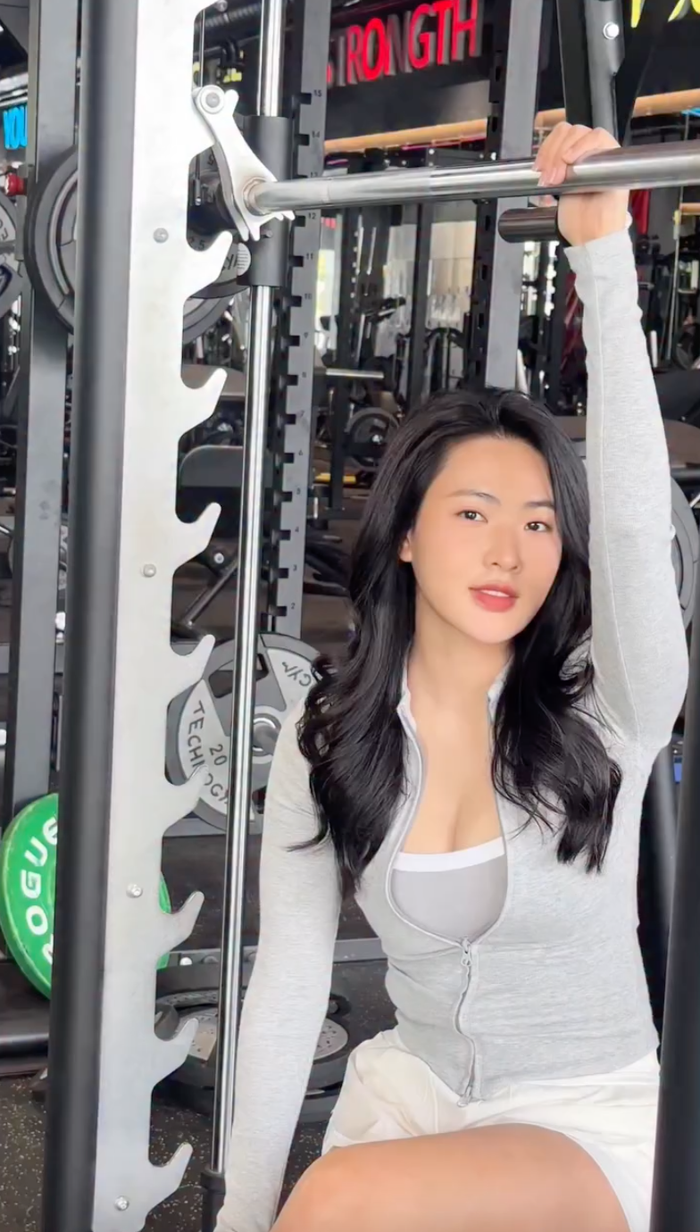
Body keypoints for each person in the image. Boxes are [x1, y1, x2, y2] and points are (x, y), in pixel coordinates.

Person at [216, 123, 689, 1232]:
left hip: (590, 1118)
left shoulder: (608, 704)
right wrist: (238, 1210)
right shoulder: (332, 734)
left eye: (538, 524)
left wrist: (600, 256)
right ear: (408, 533)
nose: (508, 552)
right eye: (472, 515)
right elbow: (288, 985)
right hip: (416, 1101)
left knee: (341, 1200)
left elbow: (632, 527)